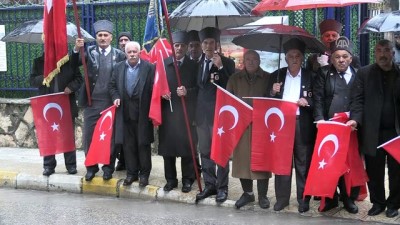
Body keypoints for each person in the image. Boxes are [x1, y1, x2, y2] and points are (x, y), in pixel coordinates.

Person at [348, 39, 400, 218]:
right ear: (374, 53)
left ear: (393, 53)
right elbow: (357, 100)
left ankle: (394, 204)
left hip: (396, 132)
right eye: (379, 50)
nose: (382, 54)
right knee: (374, 170)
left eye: (386, 50)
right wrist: (355, 119)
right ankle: (378, 203)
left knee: (397, 171)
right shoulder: (364, 73)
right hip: (372, 131)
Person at [73, 20, 126, 181]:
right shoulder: (87, 52)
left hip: (110, 103)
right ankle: (91, 167)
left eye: (105, 35)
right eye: (99, 35)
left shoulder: (120, 55)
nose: (102, 38)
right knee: (89, 136)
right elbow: (74, 63)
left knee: (109, 137)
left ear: (111, 37)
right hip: (92, 102)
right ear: (96, 37)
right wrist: (77, 49)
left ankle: (108, 167)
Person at [267, 38, 316, 213]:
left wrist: (307, 102)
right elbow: (267, 100)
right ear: (286, 58)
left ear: (302, 58)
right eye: (290, 56)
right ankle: (282, 199)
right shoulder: (276, 76)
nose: (294, 58)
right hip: (281, 126)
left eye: (297, 56)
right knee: (282, 163)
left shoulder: (311, 76)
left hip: (301, 124)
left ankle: (303, 199)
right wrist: (273, 91)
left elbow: (318, 100)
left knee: (303, 163)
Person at [313, 36, 360, 214]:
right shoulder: (324, 73)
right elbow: (317, 98)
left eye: (344, 56)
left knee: (350, 164)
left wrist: (356, 118)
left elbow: (361, 101)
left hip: (351, 127)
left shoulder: (358, 74)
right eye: (337, 56)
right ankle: (331, 198)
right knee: (331, 162)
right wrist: (319, 120)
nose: (341, 60)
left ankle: (348, 198)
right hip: (329, 128)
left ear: (351, 57)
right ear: (331, 58)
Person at [226, 50, 271, 209]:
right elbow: (227, 101)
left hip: (262, 126)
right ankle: (248, 194)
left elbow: (273, 101)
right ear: (243, 61)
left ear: (259, 61)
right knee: (242, 160)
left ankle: (263, 196)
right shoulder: (234, 78)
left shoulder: (268, 78)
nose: (251, 62)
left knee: (262, 160)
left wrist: (273, 92)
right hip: (242, 125)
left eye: (254, 59)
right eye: (248, 59)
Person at [195, 27, 235, 203]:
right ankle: (210, 184)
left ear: (217, 44)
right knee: (204, 151)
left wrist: (220, 67)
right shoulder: (198, 63)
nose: (208, 45)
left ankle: (222, 187)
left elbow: (231, 88)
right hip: (202, 115)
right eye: (205, 42)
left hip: (219, 114)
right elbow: (198, 88)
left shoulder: (228, 64)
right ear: (202, 45)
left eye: (212, 42)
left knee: (220, 152)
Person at [109, 41, 155, 187]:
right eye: (130, 52)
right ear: (126, 53)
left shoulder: (149, 67)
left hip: (143, 112)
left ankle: (144, 175)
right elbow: (112, 86)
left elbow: (155, 87)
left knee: (143, 144)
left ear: (140, 52)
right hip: (125, 112)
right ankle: (131, 173)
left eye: (135, 51)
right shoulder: (118, 67)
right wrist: (115, 97)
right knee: (128, 146)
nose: (132, 54)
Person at [158, 31, 198, 193]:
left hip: (186, 114)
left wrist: (188, 92)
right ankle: (171, 180)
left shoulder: (194, 65)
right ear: (172, 47)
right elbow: (156, 86)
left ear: (187, 47)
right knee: (168, 150)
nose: (179, 48)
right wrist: (162, 93)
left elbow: (200, 89)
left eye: (182, 45)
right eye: (176, 45)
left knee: (187, 149)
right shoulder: (163, 64)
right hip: (168, 113)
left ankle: (187, 179)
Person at [30, 54, 83, 176]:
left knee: (68, 136)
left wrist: (71, 87)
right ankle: (49, 166)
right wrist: (45, 76)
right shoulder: (38, 61)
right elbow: (32, 81)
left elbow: (79, 79)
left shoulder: (69, 61)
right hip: (47, 106)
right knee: (48, 137)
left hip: (66, 104)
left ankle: (71, 166)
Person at [114, 32, 133, 171]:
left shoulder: (134, 56)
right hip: (115, 100)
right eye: (121, 40)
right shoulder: (115, 56)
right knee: (118, 134)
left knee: (129, 135)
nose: (123, 42)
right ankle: (120, 160)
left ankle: (128, 161)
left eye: (126, 39)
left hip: (130, 103)